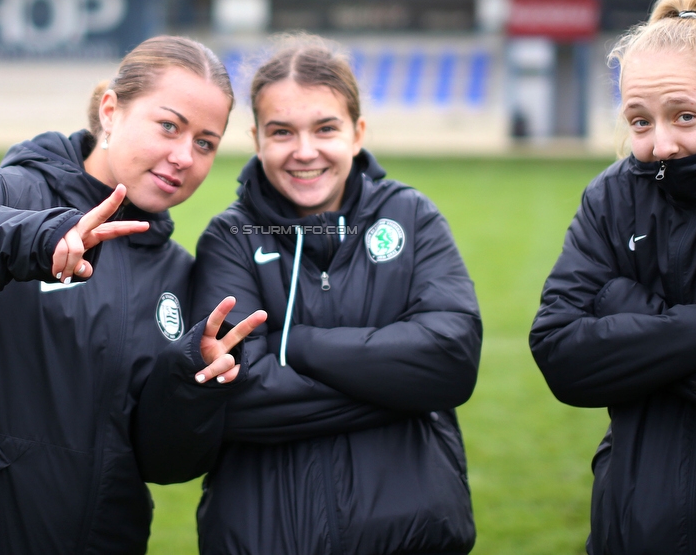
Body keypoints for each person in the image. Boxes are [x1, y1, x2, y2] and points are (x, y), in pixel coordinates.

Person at [0, 36, 266, 555]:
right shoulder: (15, 195)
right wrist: (24, 240)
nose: (183, 156)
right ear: (111, 112)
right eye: (169, 126)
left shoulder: (177, 273)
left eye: (205, 143)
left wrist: (195, 384)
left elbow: (164, 463)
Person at [190, 35, 483, 555]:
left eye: (325, 128)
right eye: (282, 132)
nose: (305, 152)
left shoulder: (412, 218)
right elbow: (235, 400)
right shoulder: (227, 238)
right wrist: (399, 390)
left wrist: (292, 344)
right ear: (258, 139)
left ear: (356, 133)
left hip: (414, 537)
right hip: (264, 540)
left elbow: (450, 362)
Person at [530, 0, 696, 554]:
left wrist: (632, 322)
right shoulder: (612, 197)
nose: (660, 143)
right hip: (629, 529)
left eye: (685, 116)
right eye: (640, 121)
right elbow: (561, 354)